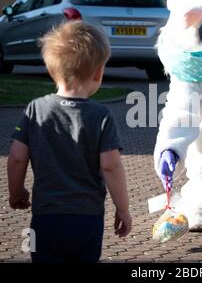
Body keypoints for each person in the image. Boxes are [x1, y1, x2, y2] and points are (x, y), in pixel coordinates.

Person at [7, 21, 132, 263]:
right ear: (97, 73)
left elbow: (17, 157)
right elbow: (111, 166)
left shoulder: (35, 109)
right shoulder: (101, 115)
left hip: (45, 217)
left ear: (51, 69)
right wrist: (123, 208)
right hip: (87, 218)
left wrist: (16, 192)